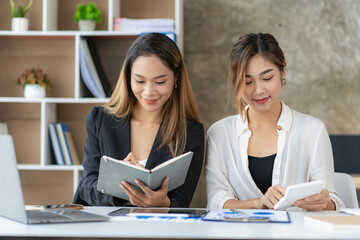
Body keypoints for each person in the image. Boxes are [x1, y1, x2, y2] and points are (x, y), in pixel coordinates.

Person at [205, 33, 344, 211]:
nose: (258, 90)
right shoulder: (219, 133)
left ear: (282, 72)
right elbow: (217, 203)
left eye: (267, 78)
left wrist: (325, 202)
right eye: (247, 82)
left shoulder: (313, 130)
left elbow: (331, 200)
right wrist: (259, 203)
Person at [73, 33, 204, 207]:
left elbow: (182, 200)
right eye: (140, 81)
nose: (149, 92)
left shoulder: (191, 133)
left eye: (160, 82)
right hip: (106, 228)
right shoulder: (101, 120)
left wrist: (164, 204)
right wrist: (118, 184)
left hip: (158, 230)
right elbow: (86, 185)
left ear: (176, 78)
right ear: (128, 78)